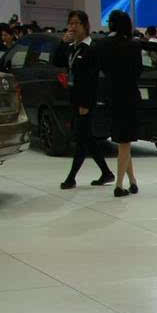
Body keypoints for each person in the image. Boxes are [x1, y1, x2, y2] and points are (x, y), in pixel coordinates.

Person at [53, 10, 115, 189]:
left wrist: (85, 103)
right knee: (87, 138)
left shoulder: (92, 49)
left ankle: (71, 178)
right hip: (74, 97)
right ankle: (106, 173)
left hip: (85, 101)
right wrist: (62, 43)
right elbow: (57, 61)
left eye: (76, 23)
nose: (72, 27)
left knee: (81, 140)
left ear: (85, 25)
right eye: (70, 23)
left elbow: (91, 80)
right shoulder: (73, 48)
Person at [98, 10, 144, 197]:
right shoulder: (134, 46)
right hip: (129, 96)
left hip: (112, 97)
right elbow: (138, 70)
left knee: (123, 142)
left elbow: (103, 68)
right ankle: (119, 185)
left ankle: (132, 181)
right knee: (125, 141)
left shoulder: (104, 44)